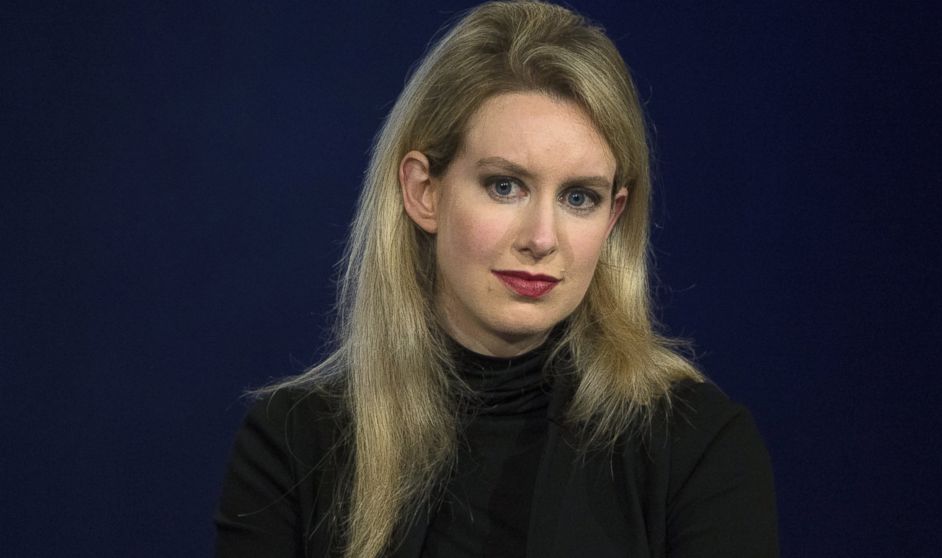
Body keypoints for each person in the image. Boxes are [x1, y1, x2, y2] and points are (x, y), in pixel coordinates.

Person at [214, 2, 779, 557]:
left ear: (613, 216)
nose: (541, 238)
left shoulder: (697, 445)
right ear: (423, 191)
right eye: (505, 186)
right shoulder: (294, 443)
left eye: (579, 198)